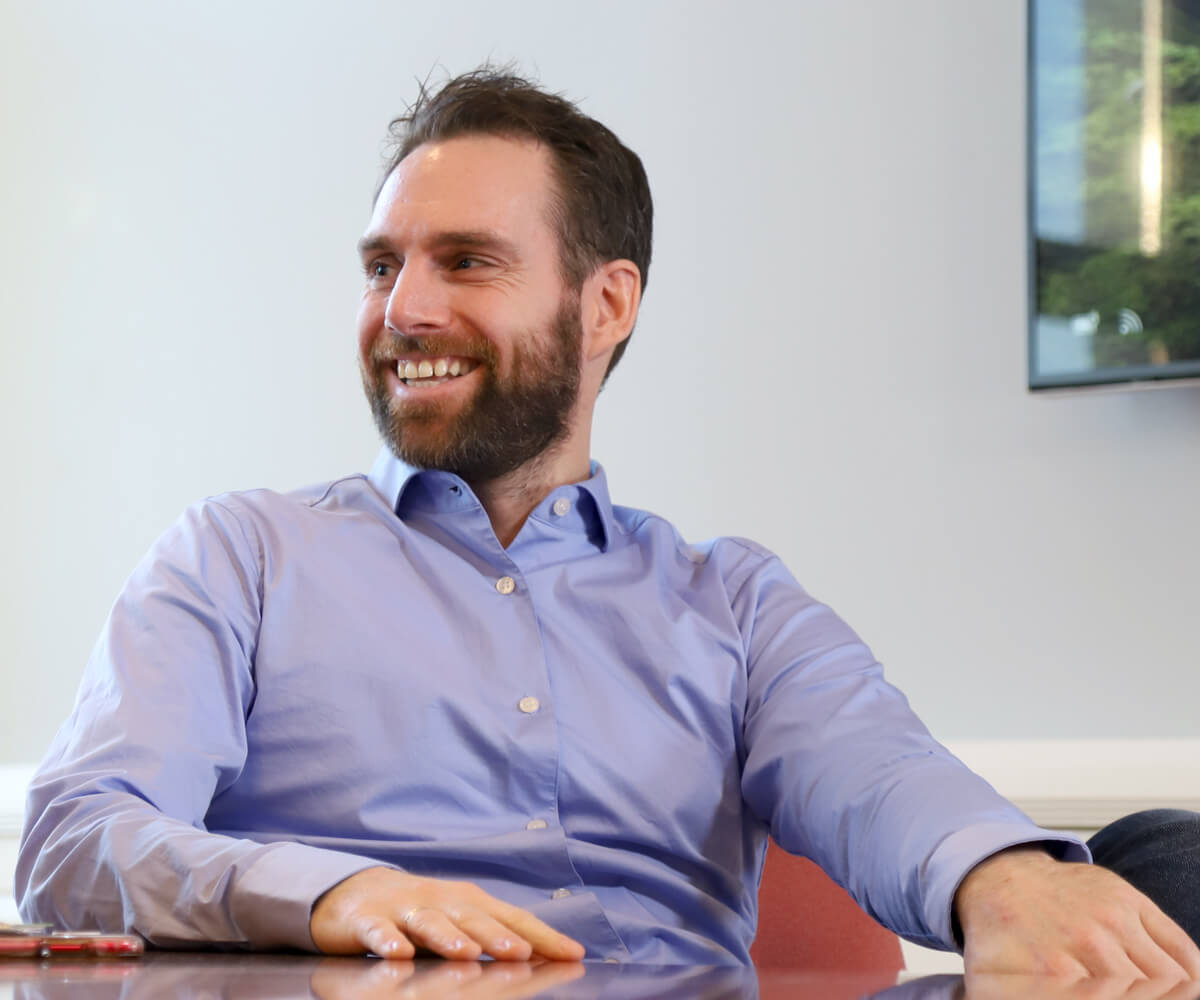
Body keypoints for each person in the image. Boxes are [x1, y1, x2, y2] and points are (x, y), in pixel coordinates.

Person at [15, 68, 1200, 979]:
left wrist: (998, 879)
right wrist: (328, 894)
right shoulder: (241, 557)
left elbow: (875, 769)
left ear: (607, 304)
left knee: (1167, 862)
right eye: (383, 267)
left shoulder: (731, 599)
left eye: (465, 262)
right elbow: (71, 838)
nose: (404, 308)